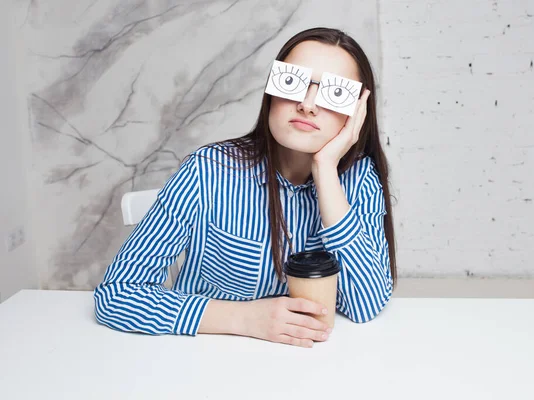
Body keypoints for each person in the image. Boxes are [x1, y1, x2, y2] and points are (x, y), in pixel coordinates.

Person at [93, 27, 397, 348]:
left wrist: (325, 171)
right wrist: (244, 318)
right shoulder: (208, 170)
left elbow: (366, 305)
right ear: (271, 91)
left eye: (336, 93)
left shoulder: (359, 177)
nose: (308, 105)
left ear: (357, 113)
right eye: (292, 81)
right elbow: (117, 294)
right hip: (207, 361)